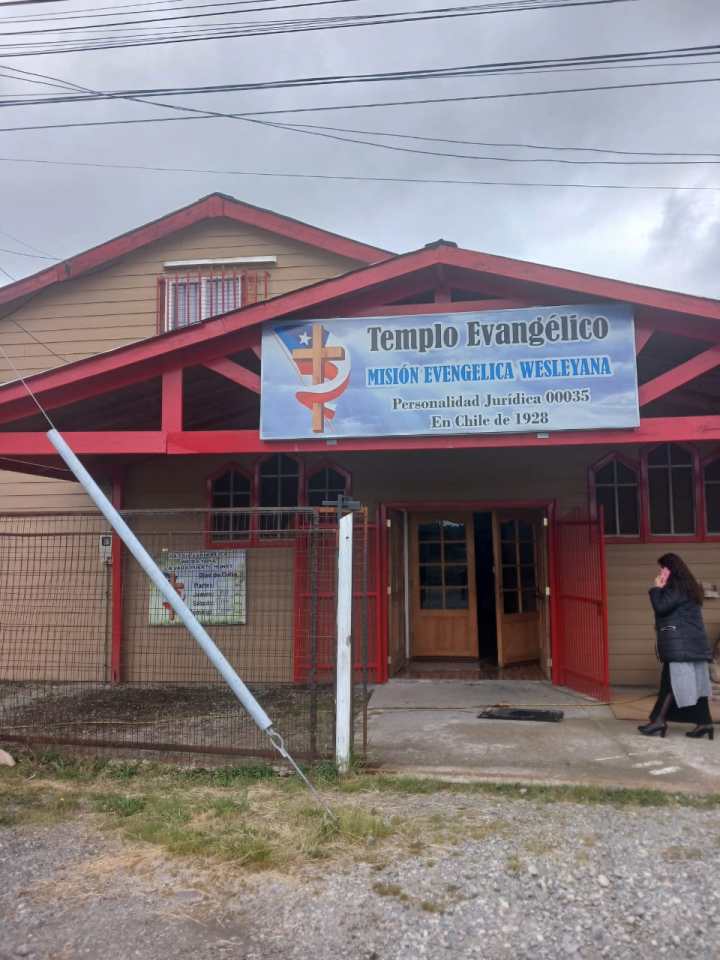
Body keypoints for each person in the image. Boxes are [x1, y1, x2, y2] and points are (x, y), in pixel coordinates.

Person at [639, 553, 714, 739]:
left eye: (662, 568)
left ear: (670, 569)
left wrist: (656, 588)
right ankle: (704, 723)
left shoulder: (676, 588)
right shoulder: (687, 587)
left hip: (682, 645)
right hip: (691, 644)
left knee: (670, 683)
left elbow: (661, 607)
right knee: (694, 684)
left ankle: (659, 721)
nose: (660, 572)